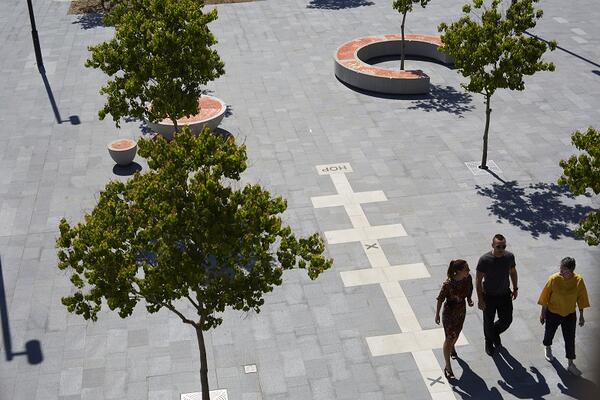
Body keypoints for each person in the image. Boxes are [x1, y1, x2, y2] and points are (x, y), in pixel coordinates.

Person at [538, 257, 590, 376]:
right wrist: (542, 313)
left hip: (570, 314)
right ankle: (547, 347)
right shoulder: (554, 279)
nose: (561, 270)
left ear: (571, 270)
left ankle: (570, 364)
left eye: (564, 269)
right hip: (553, 313)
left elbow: (581, 298)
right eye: (560, 267)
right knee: (549, 333)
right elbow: (545, 297)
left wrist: (581, 315)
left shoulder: (578, 281)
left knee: (570, 338)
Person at [476, 234, 518, 356]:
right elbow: (478, 280)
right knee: (488, 322)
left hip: (504, 294)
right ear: (493, 245)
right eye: (498, 246)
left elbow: (513, 272)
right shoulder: (485, 260)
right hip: (489, 296)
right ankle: (488, 341)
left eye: (503, 246)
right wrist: (480, 299)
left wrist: (515, 288)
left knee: (507, 320)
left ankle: (493, 333)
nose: (501, 249)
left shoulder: (509, 257)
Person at [435, 259, 473, 380]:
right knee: (449, 337)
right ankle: (448, 367)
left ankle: (452, 347)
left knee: (457, 333)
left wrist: (469, 299)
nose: (468, 271)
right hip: (449, 314)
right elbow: (440, 299)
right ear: (458, 271)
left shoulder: (467, 278)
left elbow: (469, 289)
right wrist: (437, 314)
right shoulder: (448, 284)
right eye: (466, 269)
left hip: (461, 311)